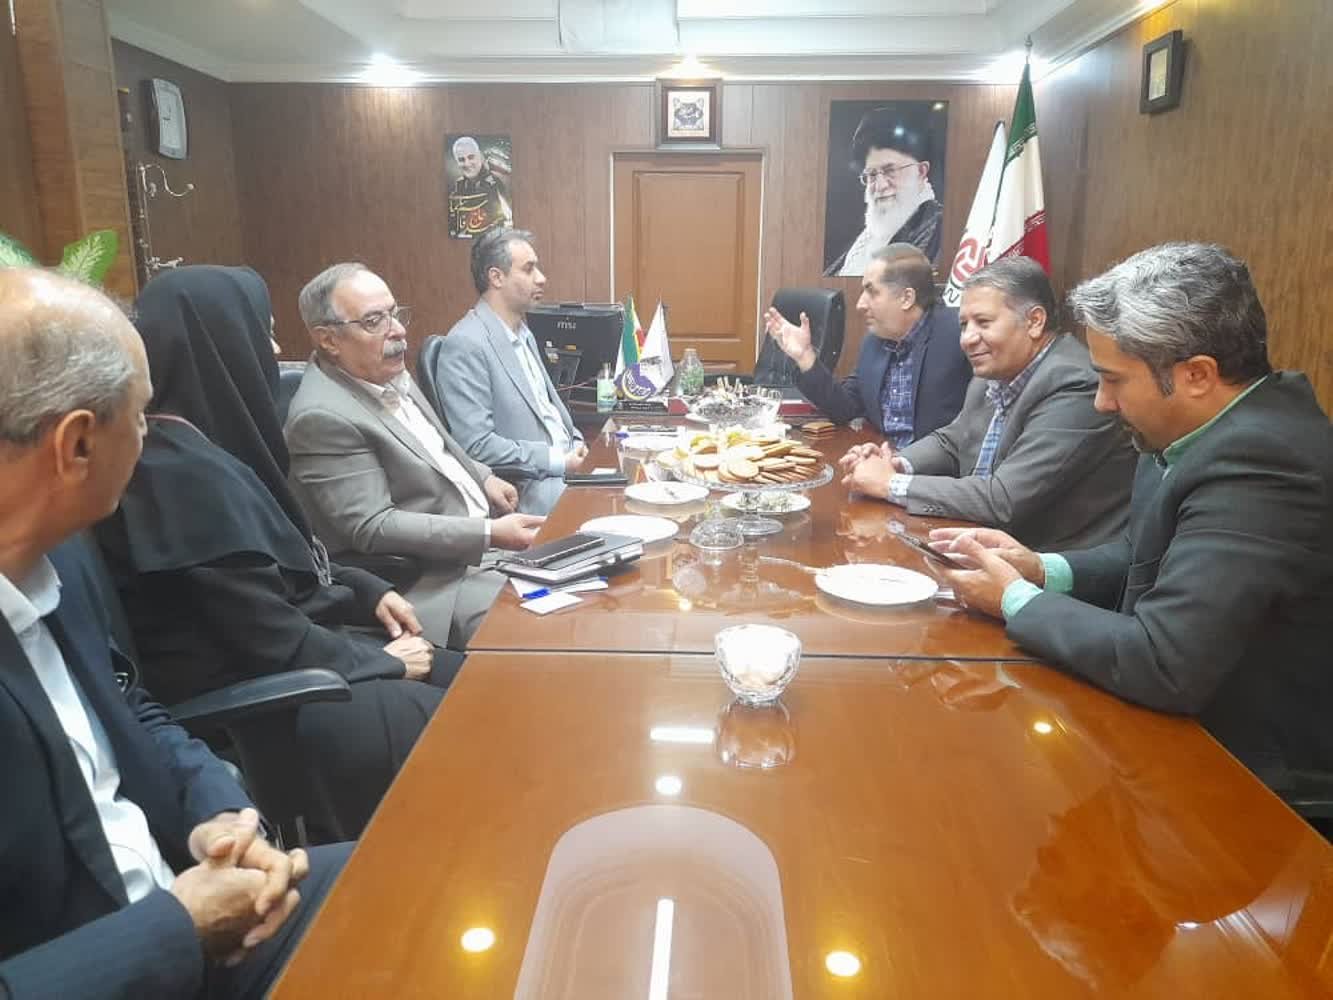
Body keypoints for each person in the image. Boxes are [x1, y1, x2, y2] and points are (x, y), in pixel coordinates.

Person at [0, 267, 347, 998]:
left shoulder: (62, 554)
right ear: (77, 446)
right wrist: (178, 928)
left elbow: (131, 707)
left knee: (418, 872)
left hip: (185, 914)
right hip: (122, 961)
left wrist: (215, 813)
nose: (150, 434)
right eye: (141, 414)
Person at [929, 242, 1333, 793]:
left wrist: (1013, 600)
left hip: (1245, 775)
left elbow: (1165, 661)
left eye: (1114, 379)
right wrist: (1040, 569)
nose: (1101, 401)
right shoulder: (1186, 426)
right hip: (1162, 727)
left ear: (1196, 374)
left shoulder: (1264, 463)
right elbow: (1142, 553)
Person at [93, 265, 450, 837]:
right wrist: (384, 662)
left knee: (475, 677)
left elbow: (288, 565)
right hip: (267, 700)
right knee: (462, 722)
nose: (276, 350)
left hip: (306, 655)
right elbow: (266, 638)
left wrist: (365, 589)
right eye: (264, 333)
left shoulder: (208, 441)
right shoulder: (176, 477)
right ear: (222, 341)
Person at [287, 262, 544, 648]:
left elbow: (436, 449)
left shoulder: (386, 373)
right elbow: (372, 526)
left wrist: (483, 476)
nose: (398, 330)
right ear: (328, 339)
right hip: (434, 581)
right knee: (544, 631)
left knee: (594, 589)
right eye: (374, 321)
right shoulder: (321, 417)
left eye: (394, 313)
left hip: (485, 550)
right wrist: (490, 534)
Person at [839, 256, 1135, 551]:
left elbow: (1003, 499)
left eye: (983, 322)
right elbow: (953, 440)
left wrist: (889, 483)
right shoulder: (994, 371)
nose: (967, 339)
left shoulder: (1073, 384)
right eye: (964, 324)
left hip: (1044, 560)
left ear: (1034, 321)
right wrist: (895, 463)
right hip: (978, 542)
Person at [433, 228, 589, 515]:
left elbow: (549, 413)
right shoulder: (466, 344)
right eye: (529, 269)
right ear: (496, 277)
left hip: (568, 471)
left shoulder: (523, 333)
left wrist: (577, 443)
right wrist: (558, 460)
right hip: (531, 489)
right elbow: (476, 445)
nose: (541, 278)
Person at [764, 242, 971, 445]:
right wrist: (805, 356)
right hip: (880, 459)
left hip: (936, 465)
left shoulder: (960, 335)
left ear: (906, 298)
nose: (860, 304)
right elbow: (845, 409)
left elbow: (975, 427)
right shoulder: (875, 341)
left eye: (872, 292)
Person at [824, 109, 944, 276]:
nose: (880, 186)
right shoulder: (868, 238)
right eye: (872, 174)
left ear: (921, 171)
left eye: (890, 171)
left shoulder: (938, 227)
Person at [448, 135, 512, 238]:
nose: (467, 164)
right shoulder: (459, 185)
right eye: (461, 160)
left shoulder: (496, 182)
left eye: (471, 157)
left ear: (479, 156)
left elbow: (508, 219)